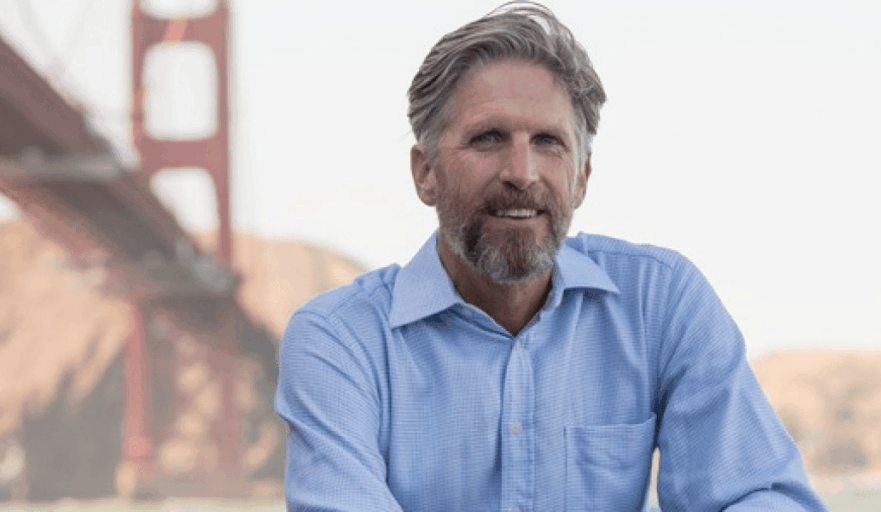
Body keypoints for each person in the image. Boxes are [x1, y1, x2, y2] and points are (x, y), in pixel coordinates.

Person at [275, 3, 828, 511]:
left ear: (582, 176)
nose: (522, 173)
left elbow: (762, 495)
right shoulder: (340, 341)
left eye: (548, 142)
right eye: (488, 138)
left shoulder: (659, 302)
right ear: (425, 173)